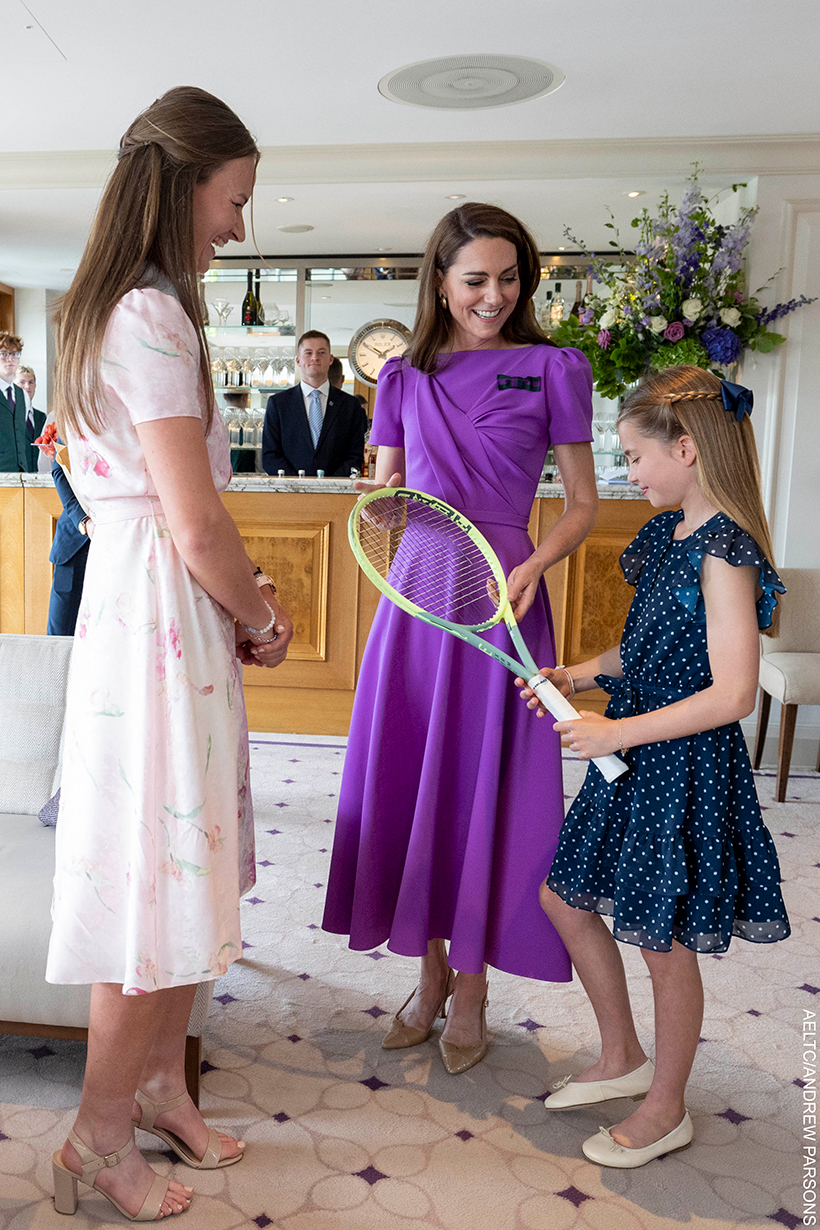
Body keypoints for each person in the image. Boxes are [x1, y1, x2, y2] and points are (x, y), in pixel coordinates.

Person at [46, 86, 294, 1222]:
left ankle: (154, 1084)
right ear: (186, 183)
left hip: (153, 611)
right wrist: (253, 613)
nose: (239, 227)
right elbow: (193, 525)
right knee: (155, 877)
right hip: (159, 614)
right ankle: (96, 1139)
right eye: (233, 201)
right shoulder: (149, 316)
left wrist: (234, 604)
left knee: (187, 860)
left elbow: (182, 519)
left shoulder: (121, 309)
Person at [322, 202, 598, 1073]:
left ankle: (473, 987)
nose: (493, 295)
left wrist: (535, 563)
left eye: (509, 278)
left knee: (488, 786)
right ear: (439, 281)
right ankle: (431, 974)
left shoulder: (555, 367)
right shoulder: (401, 377)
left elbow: (583, 504)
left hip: (507, 589)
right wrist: (378, 504)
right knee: (417, 780)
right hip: (420, 596)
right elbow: (387, 497)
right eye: (475, 279)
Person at [519, 366, 789, 1168]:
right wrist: (577, 676)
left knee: (662, 939)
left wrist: (618, 734)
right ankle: (622, 1057)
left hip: (682, 766)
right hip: (634, 752)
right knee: (565, 897)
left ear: (686, 449)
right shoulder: (664, 536)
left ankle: (667, 1106)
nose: (626, 474)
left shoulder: (727, 552)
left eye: (634, 458)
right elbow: (641, 653)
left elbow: (734, 693)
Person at [262, 330, 365, 476]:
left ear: (330, 359)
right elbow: (270, 455)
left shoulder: (350, 405)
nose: (315, 358)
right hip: (289, 492)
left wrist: (330, 485)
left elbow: (355, 455)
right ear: (298, 360)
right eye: (308, 353)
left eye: (321, 352)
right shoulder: (278, 404)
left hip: (336, 492)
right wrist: (298, 485)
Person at [0, 333, 44, 471]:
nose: (10, 359)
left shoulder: (22, 395)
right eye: (4, 354)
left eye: (15, 354)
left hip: (21, 473)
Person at [16, 363, 53, 473]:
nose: (27, 387)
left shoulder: (41, 417)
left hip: (40, 477)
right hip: (15, 479)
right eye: (22, 382)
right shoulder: (7, 418)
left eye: (31, 382)